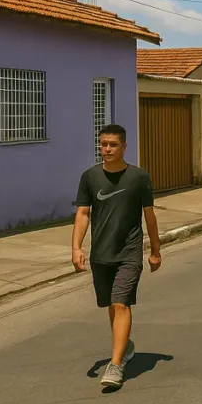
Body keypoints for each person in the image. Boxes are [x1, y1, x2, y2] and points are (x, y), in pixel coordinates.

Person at [72, 124, 162, 389]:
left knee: (121, 303)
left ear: (124, 146)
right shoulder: (90, 177)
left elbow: (149, 216)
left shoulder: (138, 177)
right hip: (101, 253)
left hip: (129, 252)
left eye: (113, 145)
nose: (107, 149)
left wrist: (155, 250)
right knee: (112, 305)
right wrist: (76, 248)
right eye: (103, 144)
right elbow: (83, 214)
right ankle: (125, 347)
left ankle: (116, 364)